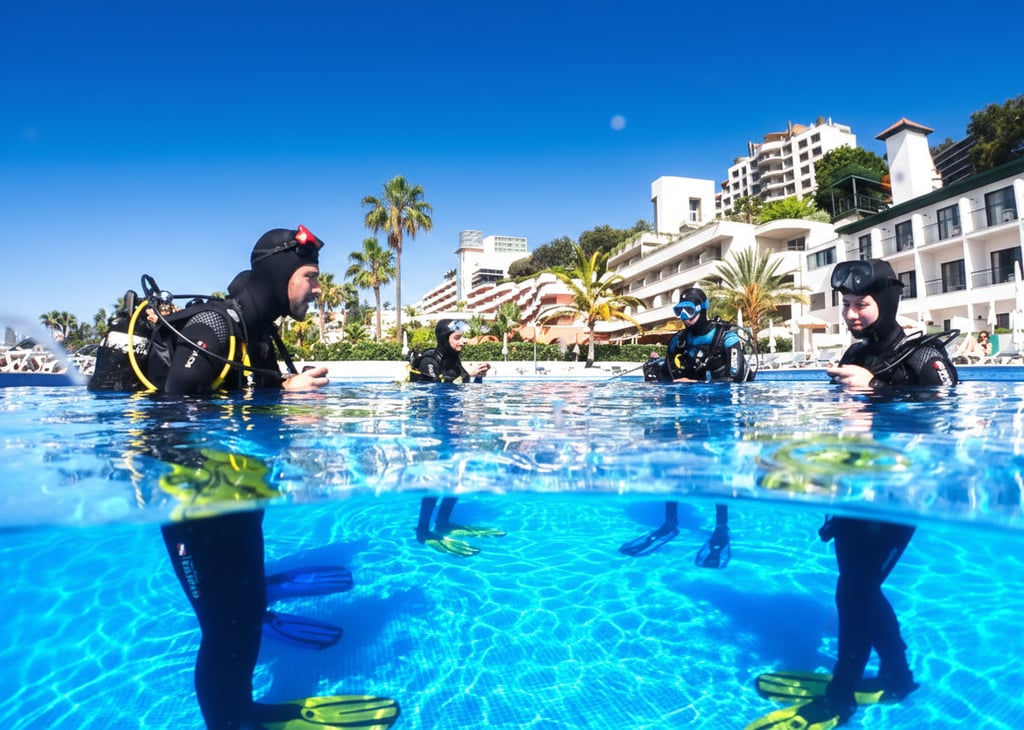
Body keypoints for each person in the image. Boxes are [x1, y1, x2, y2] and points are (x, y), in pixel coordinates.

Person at [90, 227, 399, 730]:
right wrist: (281, 402)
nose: (318, 288)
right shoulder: (214, 325)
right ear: (280, 273)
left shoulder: (257, 333)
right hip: (193, 505)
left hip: (234, 494)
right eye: (310, 277)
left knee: (249, 603)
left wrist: (288, 402)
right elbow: (170, 419)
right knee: (224, 632)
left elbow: (252, 405)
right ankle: (233, 720)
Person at [746, 259, 957, 730]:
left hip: (900, 494)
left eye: (861, 304)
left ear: (885, 302)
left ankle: (842, 696)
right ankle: (899, 677)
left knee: (855, 591)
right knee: (858, 590)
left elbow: (950, 412)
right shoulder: (855, 353)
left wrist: (878, 389)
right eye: (846, 305)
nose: (852, 314)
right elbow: (847, 428)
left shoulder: (924, 355)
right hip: (855, 492)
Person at [627, 287, 750, 567]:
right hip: (685, 413)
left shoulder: (726, 339)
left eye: (689, 311)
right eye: (679, 311)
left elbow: (736, 379)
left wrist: (697, 387)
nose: (684, 317)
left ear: (703, 308)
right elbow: (670, 378)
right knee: (673, 462)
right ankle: (670, 522)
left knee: (718, 470)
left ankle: (721, 528)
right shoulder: (677, 341)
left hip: (721, 413)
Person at [408, 319, 504, 557]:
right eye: (457, 338)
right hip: (431, 429)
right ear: (444, 338)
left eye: (462, 338)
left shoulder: (454, 360)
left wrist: (477, 377)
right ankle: (423, 530)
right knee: (436, 479)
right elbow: (435, 389)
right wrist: (467, 375)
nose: (462, 342)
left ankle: (442, 523)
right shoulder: (430, 359)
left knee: (457, 475)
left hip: (452, 427)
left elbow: (463, 388)